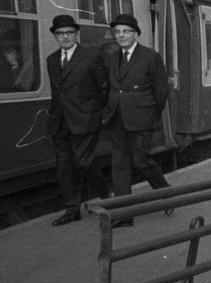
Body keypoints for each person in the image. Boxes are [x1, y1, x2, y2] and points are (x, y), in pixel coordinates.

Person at [101, 12, 171, 227]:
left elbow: (161, 91)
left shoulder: (151, 57)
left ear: (136, 34)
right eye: (118, 32)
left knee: (141, 161)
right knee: (119, 164)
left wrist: (149, 113)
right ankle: (125, 214)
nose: (121, 35)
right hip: (117, 118)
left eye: (126, 31)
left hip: (141, 117)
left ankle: (166, 193)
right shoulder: (113, 58)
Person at [45, 14, 111, 226]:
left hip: (85, 118)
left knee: (84, 162)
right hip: (60, 120)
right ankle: (72, 209)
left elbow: (103, 88)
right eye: (60, 34)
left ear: (76, 34)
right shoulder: (52, 60)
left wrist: (95, 114)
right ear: (55, 36)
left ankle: (107, 195)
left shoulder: (91, 56)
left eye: (69, 33)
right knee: (64, 166)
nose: (65, 37)